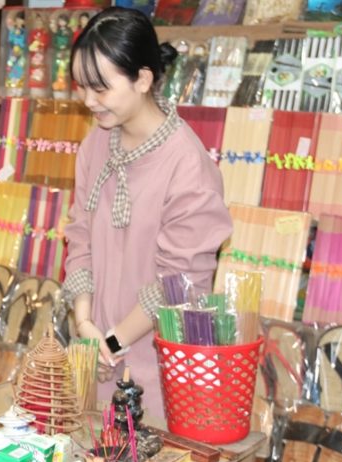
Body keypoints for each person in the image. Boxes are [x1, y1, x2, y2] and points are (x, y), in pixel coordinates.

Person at [61, 7, 232, 420]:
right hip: (96, 348)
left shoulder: (187, 165)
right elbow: (79, 236)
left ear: (143, 79)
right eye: (82, 87)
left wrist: (112, 343)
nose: (87, 101)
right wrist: (84, 324)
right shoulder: (95, 146)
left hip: (158, 362)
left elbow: (180, 282)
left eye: (100, 88)